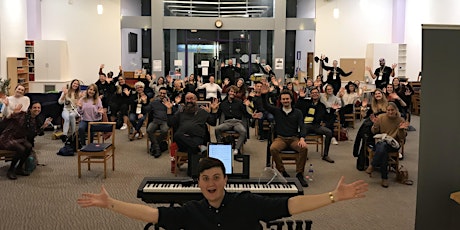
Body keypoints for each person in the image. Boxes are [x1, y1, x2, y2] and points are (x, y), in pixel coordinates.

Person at [77, 157, 368, 229]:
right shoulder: (191, 212)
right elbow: (152, 214)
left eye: (216, 177)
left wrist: (333, 197)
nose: (211, 183)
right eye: (205, 179)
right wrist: (110, 203)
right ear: (199, 183)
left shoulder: (247, 202)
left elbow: (292, 205)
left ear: (225, 180)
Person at [260, 86, 309, 187]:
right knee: (273, 148)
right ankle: (282, 171)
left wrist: (302, 138)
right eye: (283, 99)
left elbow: (302, 126)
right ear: (280, 101)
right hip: (281, 138)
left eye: (287, 99)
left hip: (294, 138)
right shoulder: (277, 111)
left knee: (304, 148)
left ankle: (299, 174)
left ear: (291, 99)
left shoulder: (298, 112)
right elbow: (266, 106)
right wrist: (264, 94)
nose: (285, 101)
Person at [164, 92, 219, 177]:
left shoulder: (202, 111)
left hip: (197, 138)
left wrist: (214, 111)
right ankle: (199, 147)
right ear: (185, 100)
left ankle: (192, 173)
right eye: (187, 99)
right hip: (183, 140)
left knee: (191, 148)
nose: (189, 101)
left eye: (191, 99)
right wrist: (169, 110)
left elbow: (213, 122)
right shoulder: (180, 111)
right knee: (177, 135)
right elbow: (170, 123)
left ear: (196, 100)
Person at [0, 101, 52, 180]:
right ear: (30, 109)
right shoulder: (21, 114)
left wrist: (43, 126)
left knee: (29, 146)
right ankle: (11, 170)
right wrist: (13, 113)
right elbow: (5, 120)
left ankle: (19, 168)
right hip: (8, 137)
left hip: (19, 138)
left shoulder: (35, 119)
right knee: (21, 149)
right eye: (34, 107)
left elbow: (33, 134)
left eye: (39, 108)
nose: (37, 109)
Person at [366, 102, 409, 188]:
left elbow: (402, 137)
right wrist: (375, 124)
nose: (390, 112)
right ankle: (384, 178)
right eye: (388, 110)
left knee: (383, 148)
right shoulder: (381, 117)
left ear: (396, 110)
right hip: (382, 141)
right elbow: (374, 132)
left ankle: (373, 165)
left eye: (392, 110)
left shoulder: (400, 120)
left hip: (393, 144)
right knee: (383, 149)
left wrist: (400, 130)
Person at [296, 87, 335, 163]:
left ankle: (325, 155)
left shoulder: (322, 106)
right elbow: (296, 108)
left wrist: (333, 110)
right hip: (305, 125)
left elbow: (327, 117)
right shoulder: (305, 102)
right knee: (301, 132)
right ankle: (302, 153)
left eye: (316, 93)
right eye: (313, 93)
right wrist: (300, 98)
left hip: (316, 126)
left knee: (329, 132)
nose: (315, 94)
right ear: (310, 94)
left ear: (319, 94)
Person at [215, 85, 249, 155]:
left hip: (237, 122)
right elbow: (217, 115)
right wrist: (213, 110)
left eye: (234, 92)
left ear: (236, 94)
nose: (232, 93)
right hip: (227, 122)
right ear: (228, 92)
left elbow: (245, 114)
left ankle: (236, 149)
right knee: (217, 129)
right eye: (231, 91)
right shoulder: (223, 104)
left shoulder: (239, 102)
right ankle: (220, 146)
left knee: (243, 131)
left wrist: (252, 115)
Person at [145, 87, 169, 158]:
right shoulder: (154, 102)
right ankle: (157, 148)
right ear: (158, 93)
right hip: (155, 120)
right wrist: (145, 102)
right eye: (161, 93)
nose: (162, 94)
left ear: (166, 94)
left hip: (164, 121)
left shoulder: (168, 102)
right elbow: (147, 109)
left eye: (164, 93)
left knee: (164, 130)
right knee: (149, 130)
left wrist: (170, 106)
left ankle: (155, 146)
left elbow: (173, 112)